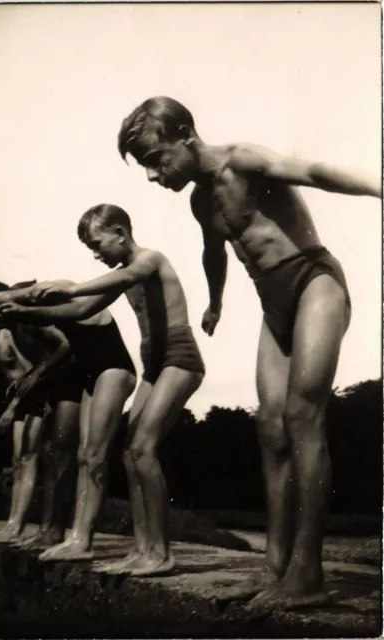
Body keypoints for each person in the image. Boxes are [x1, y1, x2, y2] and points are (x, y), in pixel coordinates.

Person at [117, 96, 381, 609]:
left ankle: (308, 573)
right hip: (274, 306)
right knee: (270, 428)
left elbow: (313, 171)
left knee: (304, 417)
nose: (153, 176)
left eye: (156, 159)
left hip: (314, 283)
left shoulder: (244, 159)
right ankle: (273, 569)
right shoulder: (199, 201)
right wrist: (215, 303)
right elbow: (214, 251)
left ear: (186, 134)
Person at [20, 203, 205, 576]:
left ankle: (161, 553)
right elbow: (78, 310)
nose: (95, 252)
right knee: (128, 453)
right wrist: (27, 313)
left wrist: (71, 286)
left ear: (120, 233)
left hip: (180, 357)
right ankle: (142, 549)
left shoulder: (150, 260)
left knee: (142, 447)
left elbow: (117, 282)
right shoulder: (123, 274)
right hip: (153, 364)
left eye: (97, 243)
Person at [0, 280, 137, 561]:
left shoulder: (49, 305)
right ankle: (58, 531)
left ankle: (70, 535)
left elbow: (59, 335)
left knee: (82, 454)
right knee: (65, 455)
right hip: (80, 378)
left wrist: (36, 375)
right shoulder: (24, 320)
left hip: (96, 373)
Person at [0, 281, 82, 546]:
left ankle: (31, 527)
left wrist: (20, 398)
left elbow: (60, 349)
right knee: (21, 458)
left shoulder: (21, 324)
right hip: (34, 390)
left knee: (37, 456)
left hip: (50, 387)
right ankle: (16, 524)